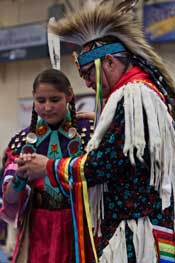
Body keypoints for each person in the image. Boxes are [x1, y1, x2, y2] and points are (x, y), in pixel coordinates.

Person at [15, 1, 175, 262]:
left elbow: (102, 165)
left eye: (89, 74)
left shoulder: (133, 96)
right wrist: (105, 122)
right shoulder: (140, 95)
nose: (88, 83)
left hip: (135, 233)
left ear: (109, 61)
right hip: (142, 226)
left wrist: (49, 167)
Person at [0, 68, 94, 263]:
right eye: (41, 101)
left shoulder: (90, 133)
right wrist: (19, 178)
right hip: (38, 230)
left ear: (68, 95)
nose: (48, 107)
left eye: (55, 100)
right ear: (33, 99)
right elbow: (9, 198)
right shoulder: (22, 142)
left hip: (81, 227)